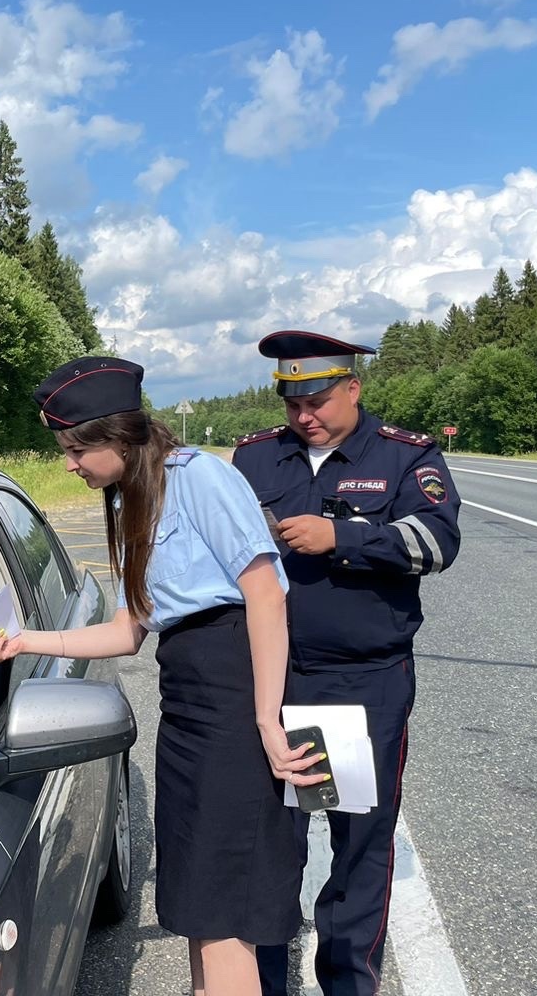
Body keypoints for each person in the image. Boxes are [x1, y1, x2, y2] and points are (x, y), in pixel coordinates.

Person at [0, 354, 323, 996]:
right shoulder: (130, 501)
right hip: (188, 703)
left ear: (116, 437)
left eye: (75, 450)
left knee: (225, 909)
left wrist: (266, 720)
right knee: (196, 899)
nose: (69, 464)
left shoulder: (199, 480)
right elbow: (127, 631)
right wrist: (25, 639)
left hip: (235, 693)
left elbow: (267, 593)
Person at [232, 331, 461, 996]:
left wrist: (346, 536)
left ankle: (348, 983)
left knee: (357, 844)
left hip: (359, 685)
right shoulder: (255, 459)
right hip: (274, 681)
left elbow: (439, 542)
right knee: (273, 845)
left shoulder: (401, 455)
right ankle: (266, 982)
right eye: (292, 401)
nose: (304, 415)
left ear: (354, 389)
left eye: (319, 400)